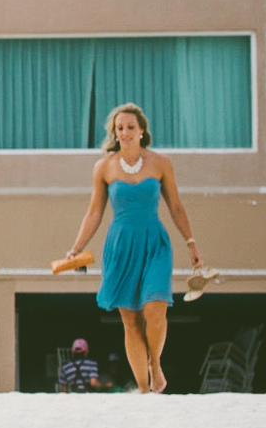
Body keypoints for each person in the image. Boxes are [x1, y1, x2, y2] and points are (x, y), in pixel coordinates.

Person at [59, 103, 203, 393]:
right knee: (131, 322)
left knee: (156, 308)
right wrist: (76, 248)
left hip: (155, 243)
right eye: (120, 128)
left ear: (141, 131)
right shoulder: (104, 167)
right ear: (115, 132)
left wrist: (191, 243)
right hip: (121, 245)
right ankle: (144, 389)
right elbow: (94, 213)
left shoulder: (161, 163)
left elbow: (175, 206)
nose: (124, 133)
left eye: (130, 127)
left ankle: (155, 365)